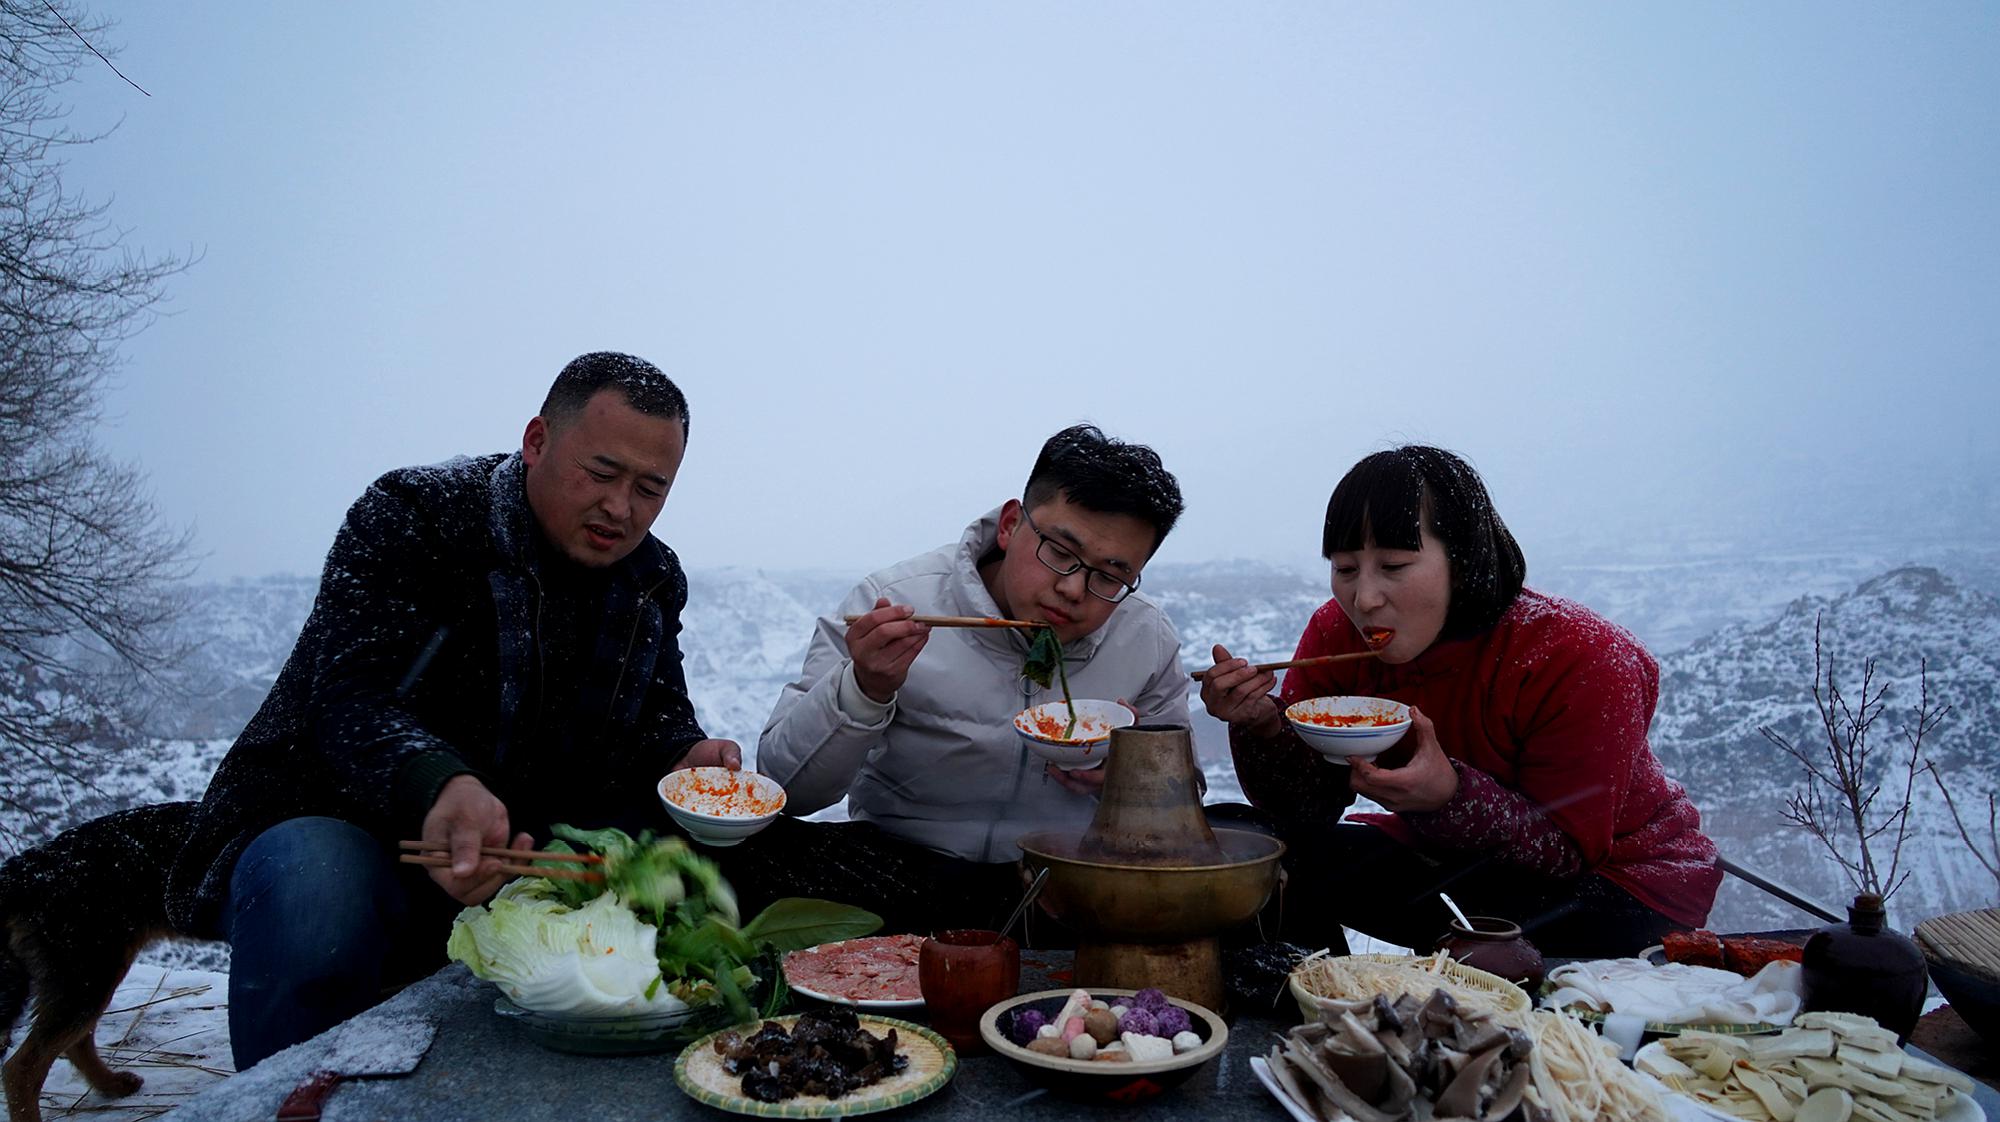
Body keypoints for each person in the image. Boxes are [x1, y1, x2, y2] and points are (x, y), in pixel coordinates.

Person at [165, 353, 740, 1068]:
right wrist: (438, 783)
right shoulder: (416, 515)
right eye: (601, 474)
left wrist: (689, 758)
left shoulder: (652, 578)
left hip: (523, 847)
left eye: (651, 488)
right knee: (317, 887)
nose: (622, 508)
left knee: (686, 874)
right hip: (355, 825)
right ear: (536, 441)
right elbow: (349, 696)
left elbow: (659, 716)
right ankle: (292, 1100)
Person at [1202, 445, 1719, 957]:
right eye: (1345, 568)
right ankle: (1316, 999)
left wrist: (1448, 797)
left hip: (1619, 889)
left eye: (1394, 565)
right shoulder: (1341, 634)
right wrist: (1264, 728)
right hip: (1451, 860)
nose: (1365, 598)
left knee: (1482, 936)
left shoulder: (1579, 656)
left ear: (1464, 559)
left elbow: (1564, 853)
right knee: (1239, 846)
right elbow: (1304, 810)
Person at [749, 424, 1189, 932]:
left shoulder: (1146, 638)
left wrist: (1131, 778)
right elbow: (789, 787)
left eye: (1110, 576)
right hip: (905, 869)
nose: (1073, 589)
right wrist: (864, 689)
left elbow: (1178, 806)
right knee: (756, 850)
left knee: (1247, 834)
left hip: (1065, 881)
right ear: (1009, 526)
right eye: (1060, 553)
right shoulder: (896, 602)